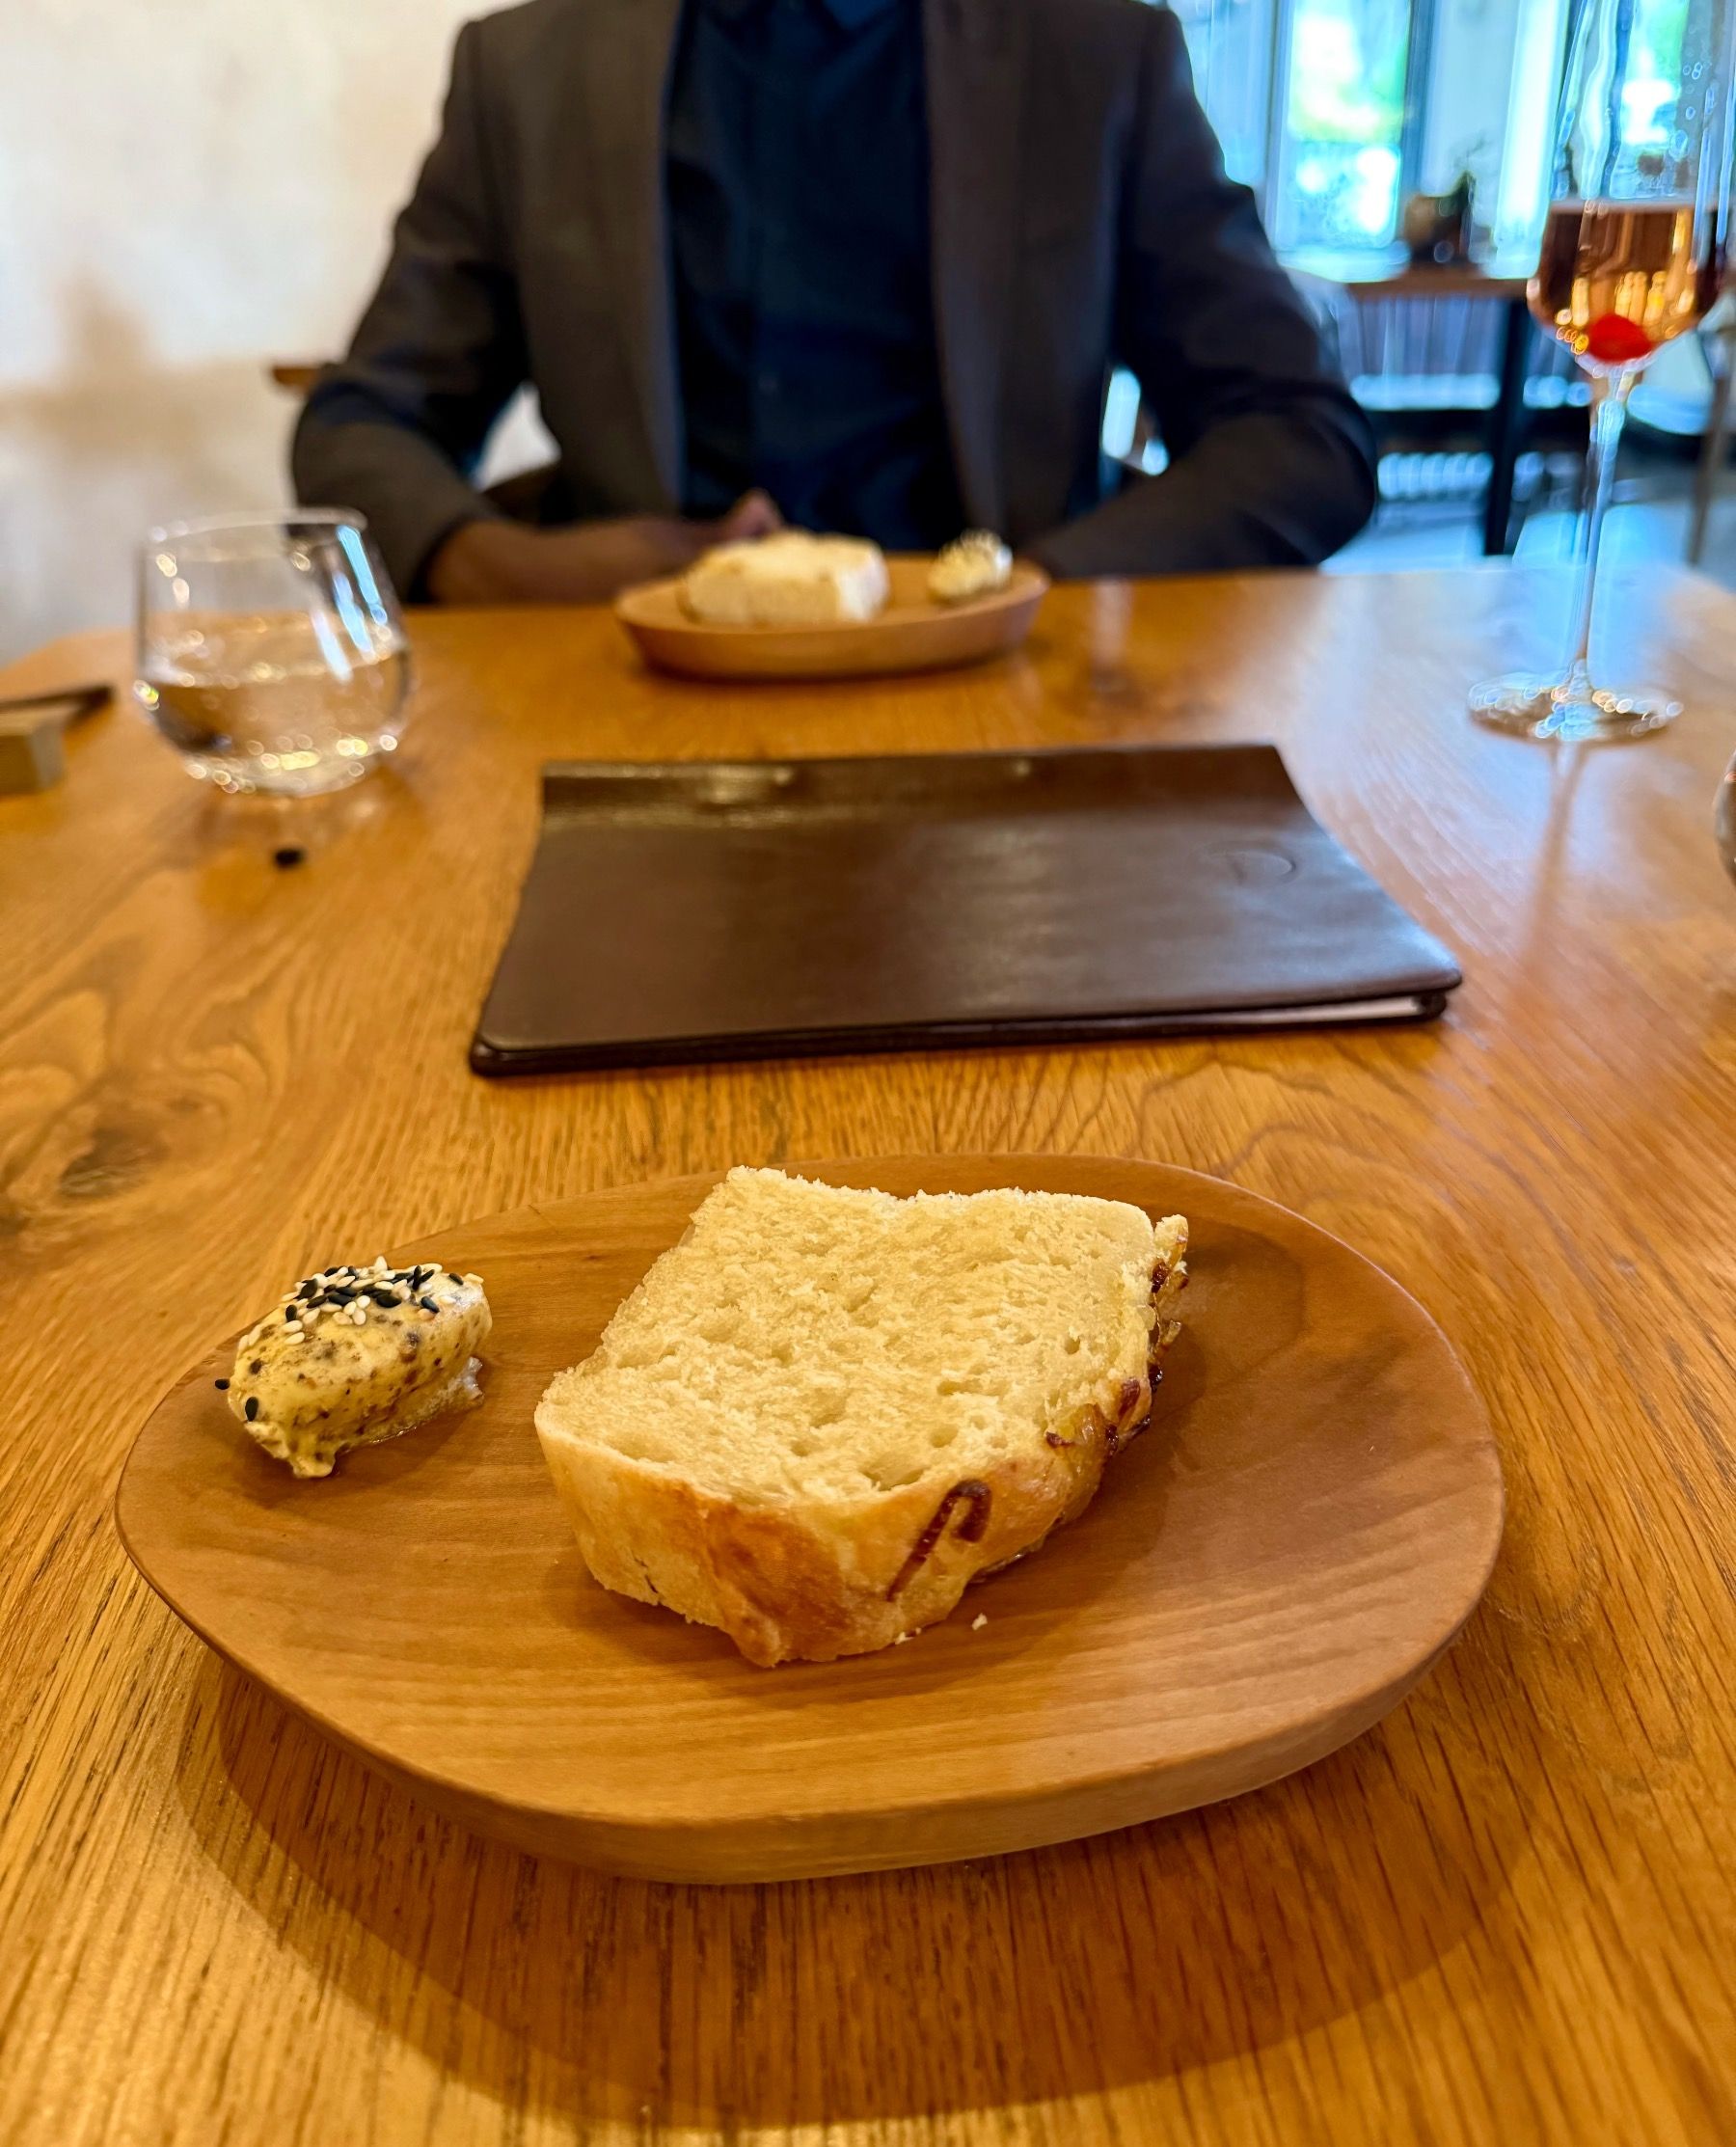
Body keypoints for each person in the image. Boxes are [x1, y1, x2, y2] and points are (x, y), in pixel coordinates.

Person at [293, 0, 1377, 605]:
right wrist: (503, 567)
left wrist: (1038, 584)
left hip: (1005, 699)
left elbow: (1302, 439)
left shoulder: (1096, 55)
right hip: (629, 689)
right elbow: (359, 428)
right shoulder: (524, 69)